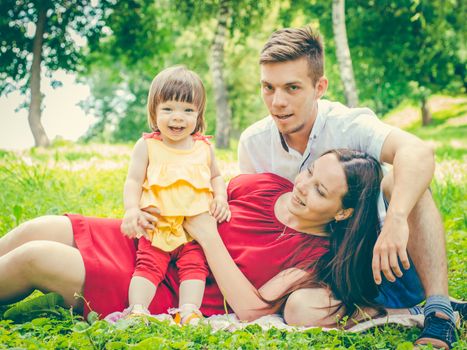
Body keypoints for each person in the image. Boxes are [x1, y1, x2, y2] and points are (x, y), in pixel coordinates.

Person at [238, 26, 459, 348]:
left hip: (383, 260)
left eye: (292, 88)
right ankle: (390, 311)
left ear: (320, 87)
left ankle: (438, 310)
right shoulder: (254, 143)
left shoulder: (348, 124)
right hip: (321, 269)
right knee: (299, 309)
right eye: (268, 87)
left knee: (401, 177)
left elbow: (419, 152)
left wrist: (395, 220)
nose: (278, 102)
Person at [2, 150, 388, 328]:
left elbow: (253, 311)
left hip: (167, 288)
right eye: (310, 174)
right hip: (153, 244)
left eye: (321, 191)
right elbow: (202, 201)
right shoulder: (268, 187)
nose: (303, 188)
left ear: (343, 213)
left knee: (37, 256)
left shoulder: (314, 257)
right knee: (42, 227)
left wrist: (207, 236)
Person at [120, 66, 230, 324]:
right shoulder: (148, 145)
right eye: (168, 109)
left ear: (199, 114)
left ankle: (189, 310)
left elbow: (216, 176)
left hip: (193, 231)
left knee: (195, 268)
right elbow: (133, 180)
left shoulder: (203, 147)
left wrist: (220, 198)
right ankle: (137, 310)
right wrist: (132, 209)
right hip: (157, 226)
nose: (177, 117)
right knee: (147, 266)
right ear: (154, 111)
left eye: (188, 110)